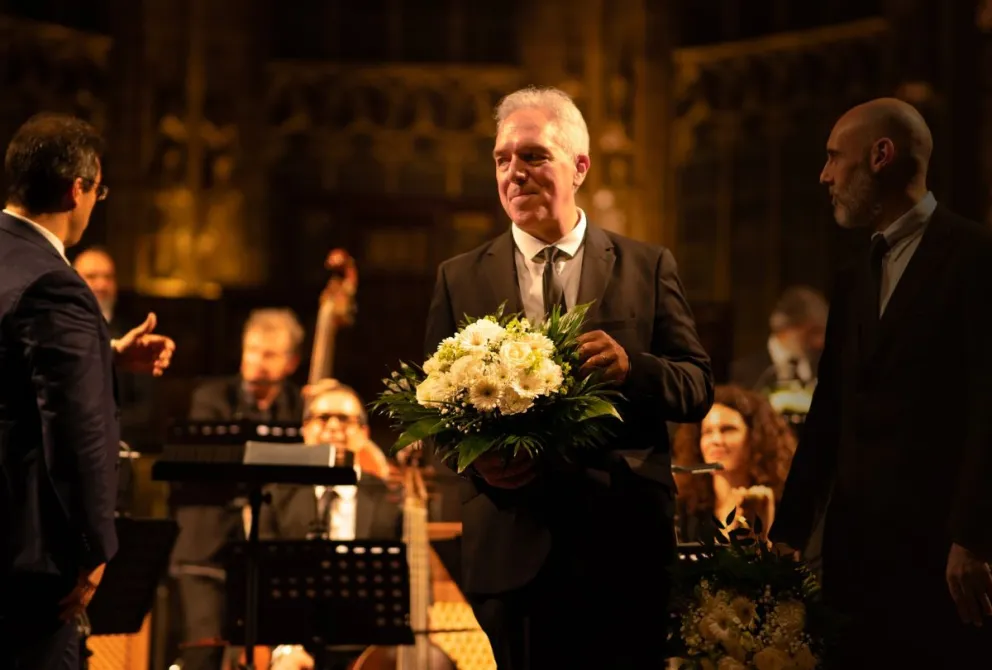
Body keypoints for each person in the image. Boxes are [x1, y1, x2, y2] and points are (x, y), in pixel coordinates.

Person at [423, 86, 713, 668]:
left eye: (533, 156)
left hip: (622, 541)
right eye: (503, 159)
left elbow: (697, 386)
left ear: (579, 166)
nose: (514, 172)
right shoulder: (459, 277)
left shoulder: (646, 265)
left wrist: (635, 368)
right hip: (511, 547)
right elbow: (431, 415)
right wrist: (475, 459)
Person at [770, 98, 992, 667]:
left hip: (938, 553)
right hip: (855, 553)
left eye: (833, 158)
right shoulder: (854, 273)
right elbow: (830, 410)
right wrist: (789, 529)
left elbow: (988, 406)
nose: (824, 175)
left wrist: (972, 537)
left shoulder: (975, 257)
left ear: (880, 156)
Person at [0, 113, 174, 670]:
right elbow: (78, 435)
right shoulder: (57, 284)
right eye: (99, 190)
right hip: (25, 561)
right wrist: (94, 552)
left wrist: (106, 354)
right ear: (78, 189)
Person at [170, 308, 306, 670]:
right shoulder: (212, 398)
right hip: (206, 548)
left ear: (291, 362)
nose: (258, 362)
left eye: (270, 354)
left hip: (267, 551)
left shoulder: (298, 404)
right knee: (204, 648)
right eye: (252, 351)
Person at [263, 379, 400, 670]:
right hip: (297, 644)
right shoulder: (275, 497)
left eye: (346, 420)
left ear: (364, 433)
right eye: (323, 418)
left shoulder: (391, 499)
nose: (334, 427)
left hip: (371, 647)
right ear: (305, 430)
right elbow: (263, 584)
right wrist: (285, 650)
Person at [73, 246, 157, 511]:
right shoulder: (52, 330)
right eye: (92, 276)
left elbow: (147, 410)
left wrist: (97, 430)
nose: (101, 284)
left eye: (108, 277)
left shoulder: (132, 337)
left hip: (113, 457)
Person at [672, 384, 796, 543]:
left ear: (755, 438)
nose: (716, 440)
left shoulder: (782, 503)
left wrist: (764, 525)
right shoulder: (686, 506)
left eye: (728, 430)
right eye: (707, 432)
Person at [730, 285, 828, 392]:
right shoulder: (745, 373)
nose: (820, 342)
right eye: (813, 332)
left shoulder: (823, 367)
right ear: (787, 329)